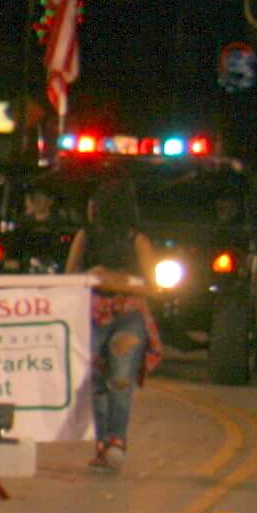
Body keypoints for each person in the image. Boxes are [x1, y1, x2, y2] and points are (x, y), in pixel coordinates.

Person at [66, 178, 160, 471]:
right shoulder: (86, 237)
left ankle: (117, 439)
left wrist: (117, 281)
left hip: (128, 315)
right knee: (95, 382)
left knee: (120, 378)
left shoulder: (138, 241)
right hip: (91, 314)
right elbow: (69, 277)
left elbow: (155, 287)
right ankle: (102, 444)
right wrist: (91, 276)